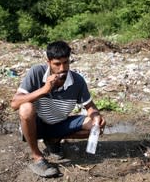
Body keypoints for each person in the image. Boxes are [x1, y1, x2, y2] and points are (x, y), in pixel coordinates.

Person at [11, 40, 106, 177]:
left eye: (66, 62)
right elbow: (14, 104)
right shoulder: (37, 73)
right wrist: (44, 90)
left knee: (96, 126)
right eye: (57, 64)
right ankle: (37, 157)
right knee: (26, 108)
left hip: (59, 124)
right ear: (48, 62)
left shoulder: (77, 81)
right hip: (36, 126)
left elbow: (90, 107)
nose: (62, 68)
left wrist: (96, 116)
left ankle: (53, 140)